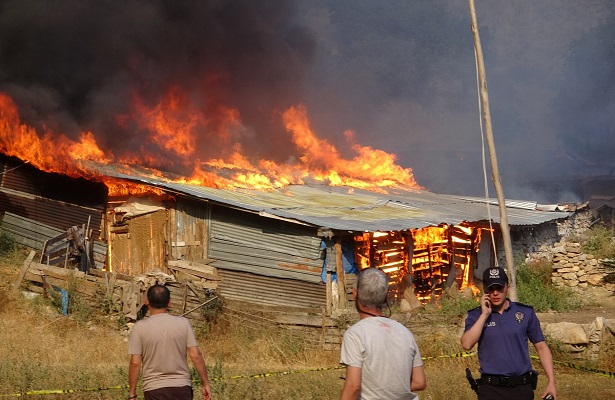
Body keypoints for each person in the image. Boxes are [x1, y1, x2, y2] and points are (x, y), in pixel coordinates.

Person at [461, 266, 557, 400]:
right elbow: (466, 344)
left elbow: (541, 346)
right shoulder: (476, 315)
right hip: (491, 389)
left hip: (521, 387)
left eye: (499, 288)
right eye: (491, 289)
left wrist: (551, 381)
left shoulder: (525, 313)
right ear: (484, 290)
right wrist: (484, 315)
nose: (495, 293)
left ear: (508, 287)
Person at [340, 268, 426, 400]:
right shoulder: (404, 332)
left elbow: (353, 386)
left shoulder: (355, 334)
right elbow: (419, 381)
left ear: (354, 294)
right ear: (386, 297)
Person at [128, 284, 212, 400]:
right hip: (182, 388)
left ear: (147, 301)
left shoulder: (139, 327)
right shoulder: (183, 323)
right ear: (169, 303)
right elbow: (196, 355)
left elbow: (135, 363)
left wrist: (132, 393)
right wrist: (206, 383)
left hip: (154, 389)